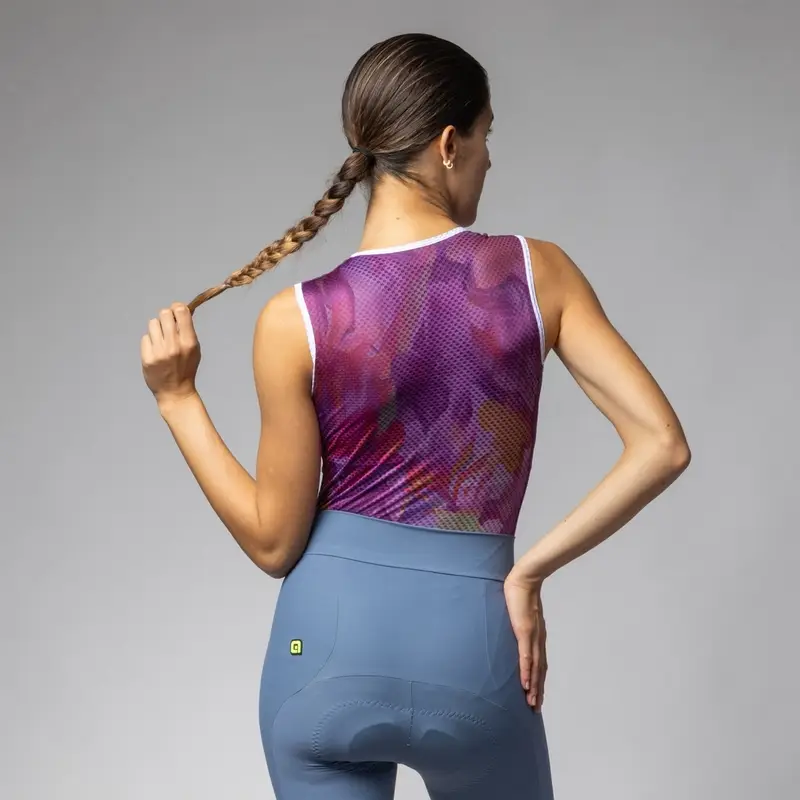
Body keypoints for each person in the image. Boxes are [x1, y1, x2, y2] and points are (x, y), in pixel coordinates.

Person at [140, 32, 691, 800]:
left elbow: (273, 541)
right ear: (449, 144)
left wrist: (177, 399)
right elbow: (662, 445)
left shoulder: (295, 318)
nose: (490, 161)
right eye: (487, 136)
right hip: (473, 651)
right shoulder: (536, 274)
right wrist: (530, 572)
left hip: (319, 656)